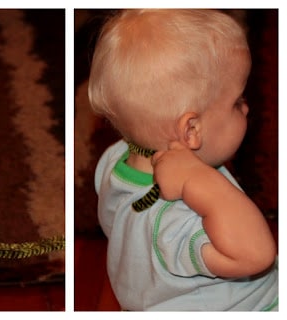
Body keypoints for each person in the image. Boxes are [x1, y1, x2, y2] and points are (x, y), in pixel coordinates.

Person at [88, 9, 278, 311]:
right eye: (236, 102)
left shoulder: (115, 159)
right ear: (191, 130)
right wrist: (198, 180)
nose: (247, 108)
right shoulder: (177, 218)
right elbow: (257, 254)